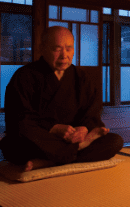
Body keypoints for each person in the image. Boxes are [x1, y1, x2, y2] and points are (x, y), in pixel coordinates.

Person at [0, 26, 123, 173]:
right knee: (12, 146)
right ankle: (78, 149)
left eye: (69, 48)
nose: (64, 55)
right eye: (57, 49)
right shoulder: (24, 76)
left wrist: (84, 129)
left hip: (73, 138)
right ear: (43, 48)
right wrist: (53, 128)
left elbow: (92, 112)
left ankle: (47, 162)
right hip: (43, 139)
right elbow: (19, 118)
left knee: (115, 141)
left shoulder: (81, 78)